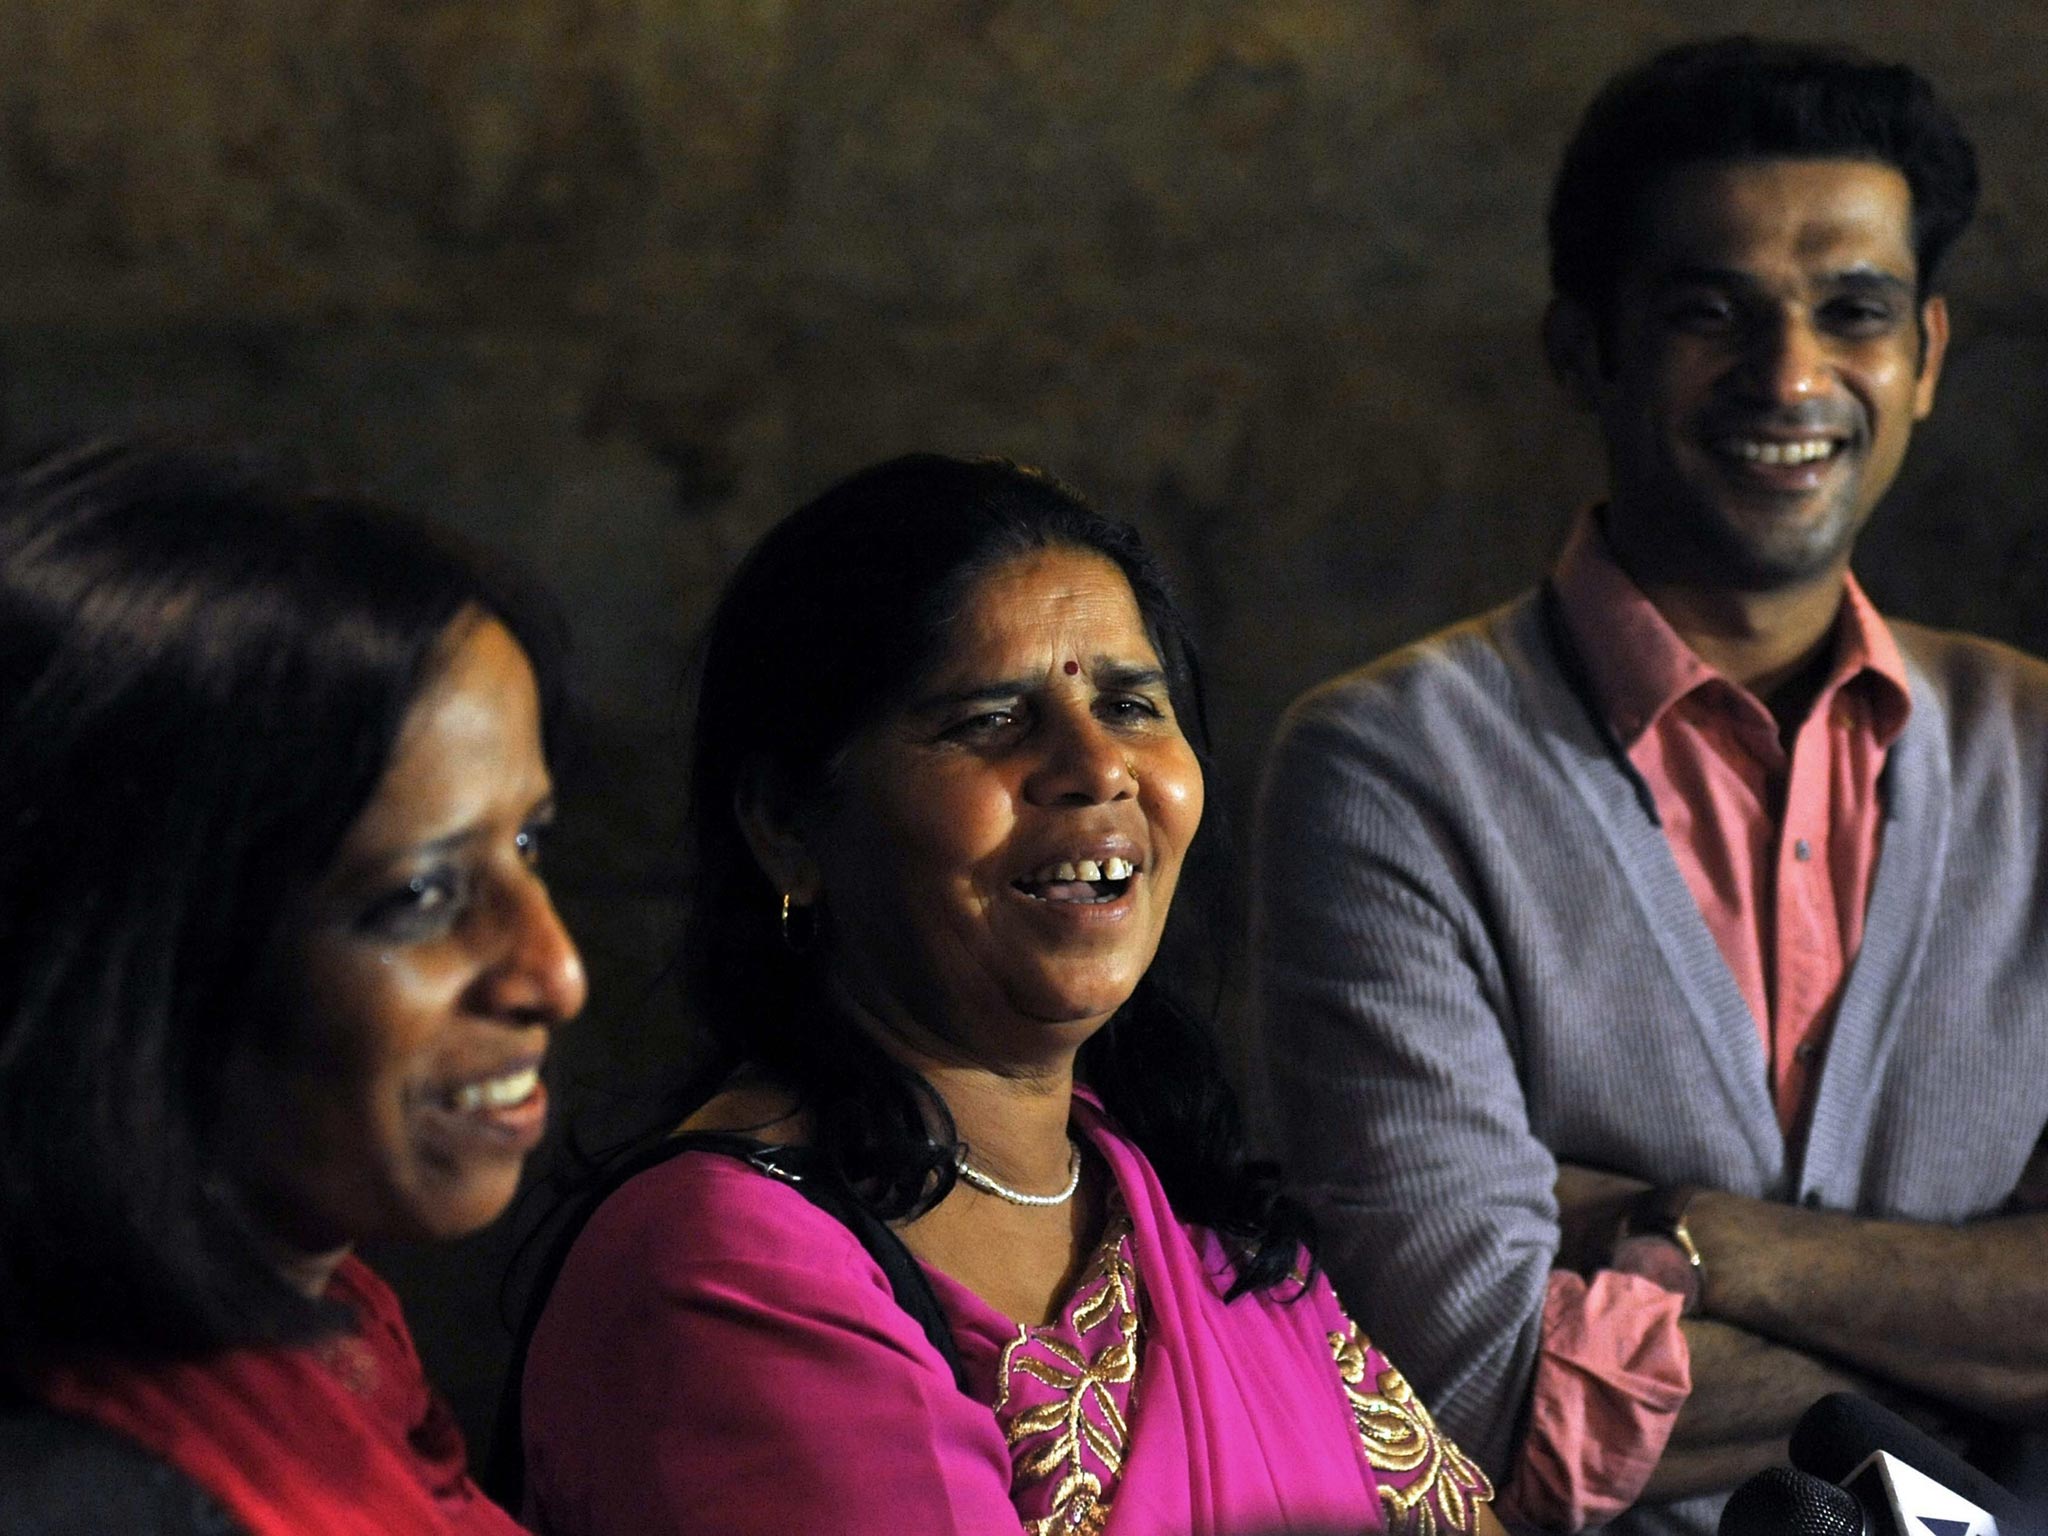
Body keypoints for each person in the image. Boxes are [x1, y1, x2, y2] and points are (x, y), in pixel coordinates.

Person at [1251, 35, 2048, 1536]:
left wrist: (1705, 1243)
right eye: (1708, 313)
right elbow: (1472, 1374)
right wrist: (1978, 1351)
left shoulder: (2043, 753)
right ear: (1584, 351)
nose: (1793, 376)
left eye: (1855, 313)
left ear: (1929, 358)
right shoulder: (1387, 773)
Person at [509, 454, 1500, 1536]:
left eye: (1129, 704)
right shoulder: (724, 1267)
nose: (1094, 768)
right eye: (989, 720)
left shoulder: (1192, 1229)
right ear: (786, 823)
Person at [0, 438, 587, 1534]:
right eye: (418, 896)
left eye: (530, 843)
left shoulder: (332, 1335)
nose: (554, 974)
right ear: (123, 966)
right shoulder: (92, 1491)